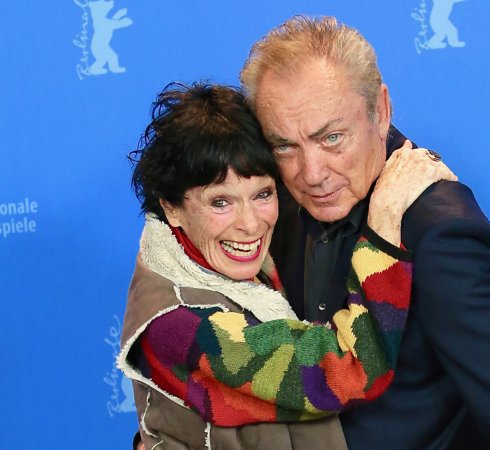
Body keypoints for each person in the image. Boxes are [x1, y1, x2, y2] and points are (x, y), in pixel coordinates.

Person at [239, 15, 490, 449]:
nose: (312, 173)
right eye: (285, 145)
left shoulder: (441, 236)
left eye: (332, 138)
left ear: (381, 111)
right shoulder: (271, 201)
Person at [118, 81, 455, 449]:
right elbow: (347, 371)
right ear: (171, 208)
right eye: (220, 203)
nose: (250, 224)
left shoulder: (214, 255)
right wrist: (384, 224)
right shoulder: (179, 323)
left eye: (262, 194)